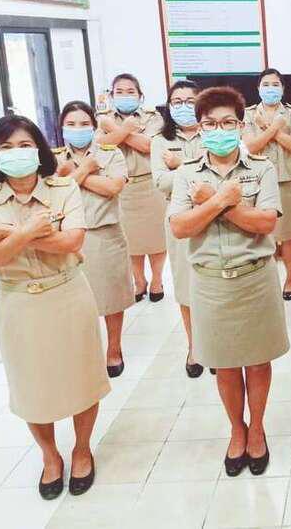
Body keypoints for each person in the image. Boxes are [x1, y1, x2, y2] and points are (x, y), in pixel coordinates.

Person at [0, 115, 109, 499]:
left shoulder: (63, 188)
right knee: (30, 385)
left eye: (25, 145)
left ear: (39, 150)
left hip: (68, 294)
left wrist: (8, 234)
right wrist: (31, 231)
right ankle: (50, 455)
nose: (16, 153)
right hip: (18, 302)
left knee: (82, 377)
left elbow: (72, 242)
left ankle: (82, 449)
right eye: (6, 147)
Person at [168, 86, 289, 478]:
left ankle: (257, 429)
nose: (219, 130)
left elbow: (265, 223)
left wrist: (214, 204)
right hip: (211, 283)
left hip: (255, 279)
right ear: (200, 128)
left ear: (240, 125)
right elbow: (180, 227)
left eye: (227, 123)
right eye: (210, 124)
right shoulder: (187, 173)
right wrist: (221, 201)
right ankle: (237, 429)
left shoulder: (262, 168)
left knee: (257, 360)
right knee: (224, 365)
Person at [55, 101, 134, 378]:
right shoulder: (53, 158)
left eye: (84, 123)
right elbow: (55, 197)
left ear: (94, 126)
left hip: (105, 233)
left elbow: (112, 187)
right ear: (62, 127)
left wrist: (73, 174)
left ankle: (114, 349)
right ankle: (87, 352)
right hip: (68, 239)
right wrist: (86, 169)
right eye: (71, 124)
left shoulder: (110, 153)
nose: (78, 129)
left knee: (113, 297)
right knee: (76, 302)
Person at [150, 80, 206, 378]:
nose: (184, 107)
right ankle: (194, 346)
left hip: (214, 216)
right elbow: (161, 182)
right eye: (177, 101)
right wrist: (196, 169)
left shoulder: (215, 131)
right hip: (179, 217)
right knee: (185, 286)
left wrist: (180, 164)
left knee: (212, 284)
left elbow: (221, 176)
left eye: (190, 101)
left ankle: (214, 345)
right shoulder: (160, 140)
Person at [96, 73, 167, 302]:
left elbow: (149, 146)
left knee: (156, 238)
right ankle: (139, 281)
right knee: (130, 241)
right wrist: (123, 129)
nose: (125, 95)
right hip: (121, 188)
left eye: (130, 91)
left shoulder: (153, 118)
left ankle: (157, 280)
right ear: (111, 95)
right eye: (119, 92)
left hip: (150, 185)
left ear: (140, 95)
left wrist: (116, 130)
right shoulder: (104, 118)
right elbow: (99, 145)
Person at [243, 69, 291, 300]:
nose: (271, 88)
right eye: (266, 84)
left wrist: (267, 127)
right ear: (258, 88)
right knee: (263, 233)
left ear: (283, 88)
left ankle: (290, 280)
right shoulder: (249, 113)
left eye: (275, 84)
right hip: (257, 180)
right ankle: (268, 280)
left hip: (288, 179)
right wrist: (273, 127)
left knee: (289, 234)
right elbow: (252, 146)